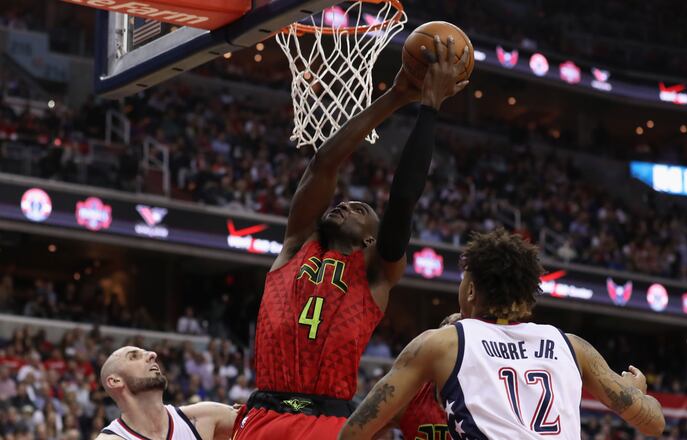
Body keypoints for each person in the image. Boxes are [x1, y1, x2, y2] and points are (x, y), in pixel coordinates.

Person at [232, 35, 471, 440]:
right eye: (342, 204)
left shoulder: (375, 274)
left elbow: (403, 201)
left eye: (360, 210)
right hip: (265, 413)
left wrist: (428, 111)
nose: (344, 205)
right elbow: (324, 163)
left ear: (371, 241)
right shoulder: (295, 247)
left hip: (331, 421)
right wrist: (395, 96)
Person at [339, 229, 666, 439]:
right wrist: (637, 394)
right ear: (527, 297)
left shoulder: (443, 342)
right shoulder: (571, 346)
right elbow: (654, 424)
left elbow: (354, 432)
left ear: (471, 292)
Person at [95, 346, 237, 440]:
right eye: (133, 356)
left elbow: (256, 418)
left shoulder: (205, 417)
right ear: (115, 381)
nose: (152, 354)